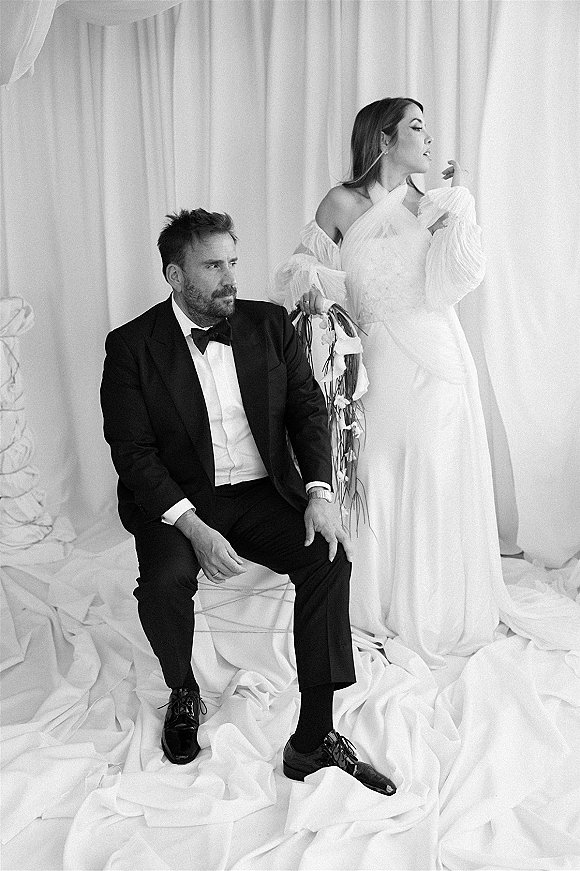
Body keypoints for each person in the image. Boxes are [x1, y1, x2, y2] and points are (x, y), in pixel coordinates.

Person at [100, 208, 395, 794]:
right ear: (175, 276)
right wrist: (194, 528)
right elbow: (134, 455)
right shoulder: (131, 346)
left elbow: (308, 412)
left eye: (232, 262)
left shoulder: (269, 324)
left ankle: (314, 737)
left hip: (263, 492)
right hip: (179, 501)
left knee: (328, 557)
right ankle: (183, 690)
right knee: (163, 582)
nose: (230, 277)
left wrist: (319, 492)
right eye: (212, 266)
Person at [270, 98, 515, 667]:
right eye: (416, 127)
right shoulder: (342, 202)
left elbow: (458, 280)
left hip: (436, 356)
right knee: (375, 469)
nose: (428, 138)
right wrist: (313, 287)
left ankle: (435, 607)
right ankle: (375, 600)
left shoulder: (431, 204)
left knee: (434, 468)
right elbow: (300, 269)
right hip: (373, 360)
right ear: (383, 139)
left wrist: (460, 207)